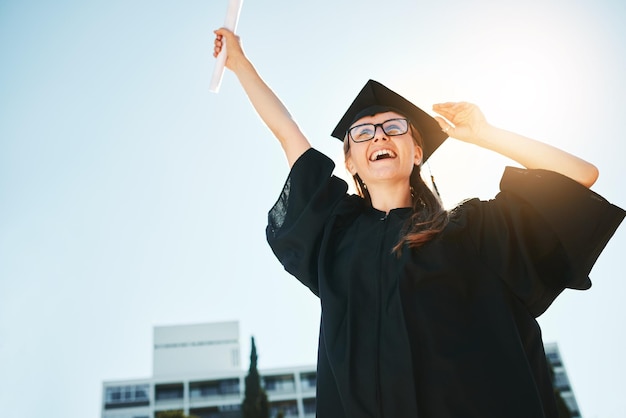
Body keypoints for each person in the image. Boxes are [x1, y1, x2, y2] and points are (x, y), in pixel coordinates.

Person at [213, 28, 625, 418]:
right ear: (351, 162)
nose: (379, 137)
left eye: (394, 128)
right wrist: (240, 63)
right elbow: (289, 135)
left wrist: (485, 133)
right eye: (363, 133)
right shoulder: (334, 237)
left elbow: (579, 176)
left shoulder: (474, 230)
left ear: (416, 152)